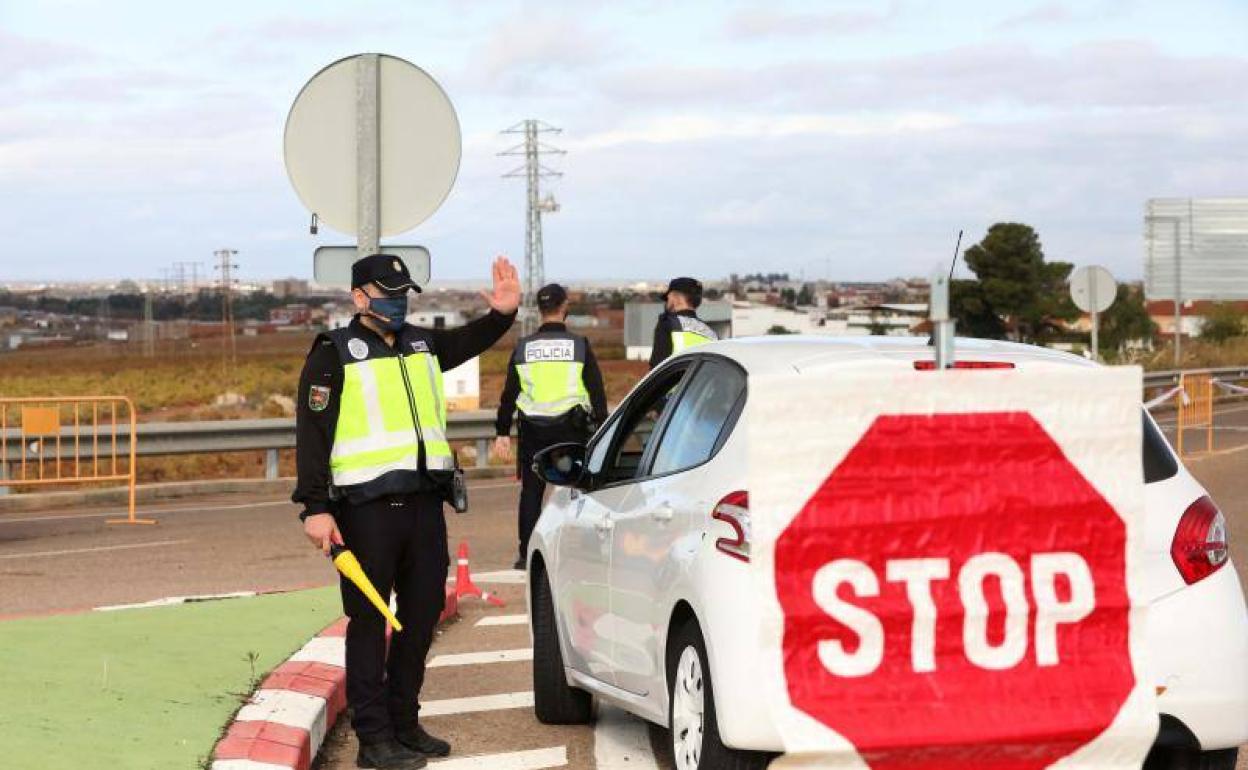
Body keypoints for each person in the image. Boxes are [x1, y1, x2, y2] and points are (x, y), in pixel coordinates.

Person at [293, 253, 519, 770]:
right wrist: (314, 507)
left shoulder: (421, 344)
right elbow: (311, 434)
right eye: (386, 292)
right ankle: (374, 740)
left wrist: (502, 315)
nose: (397, 302)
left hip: (423, 508)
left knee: (419, 621)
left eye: (403, 293)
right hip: (365, 512)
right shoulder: (334, 353)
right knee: (370, 623)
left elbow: (467, 342)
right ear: (358, 296)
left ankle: (404, 721)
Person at [493, 283, 608, 570]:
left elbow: (509, 395)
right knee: (575, 490)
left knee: (531, 493)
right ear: (564, 307)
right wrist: (605, 429)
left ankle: (526, 555)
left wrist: (502, 432)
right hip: (571, 429)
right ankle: (577, 555)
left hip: (533, 430)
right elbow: (597, 392)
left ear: (540, 310)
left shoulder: (523, 348)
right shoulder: (579, 346)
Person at [648, 276, 717, 369]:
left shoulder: (668, 324)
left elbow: (657, 367)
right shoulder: (712, 334)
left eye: (668, 298)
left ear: (676, 298)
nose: (667, 302)